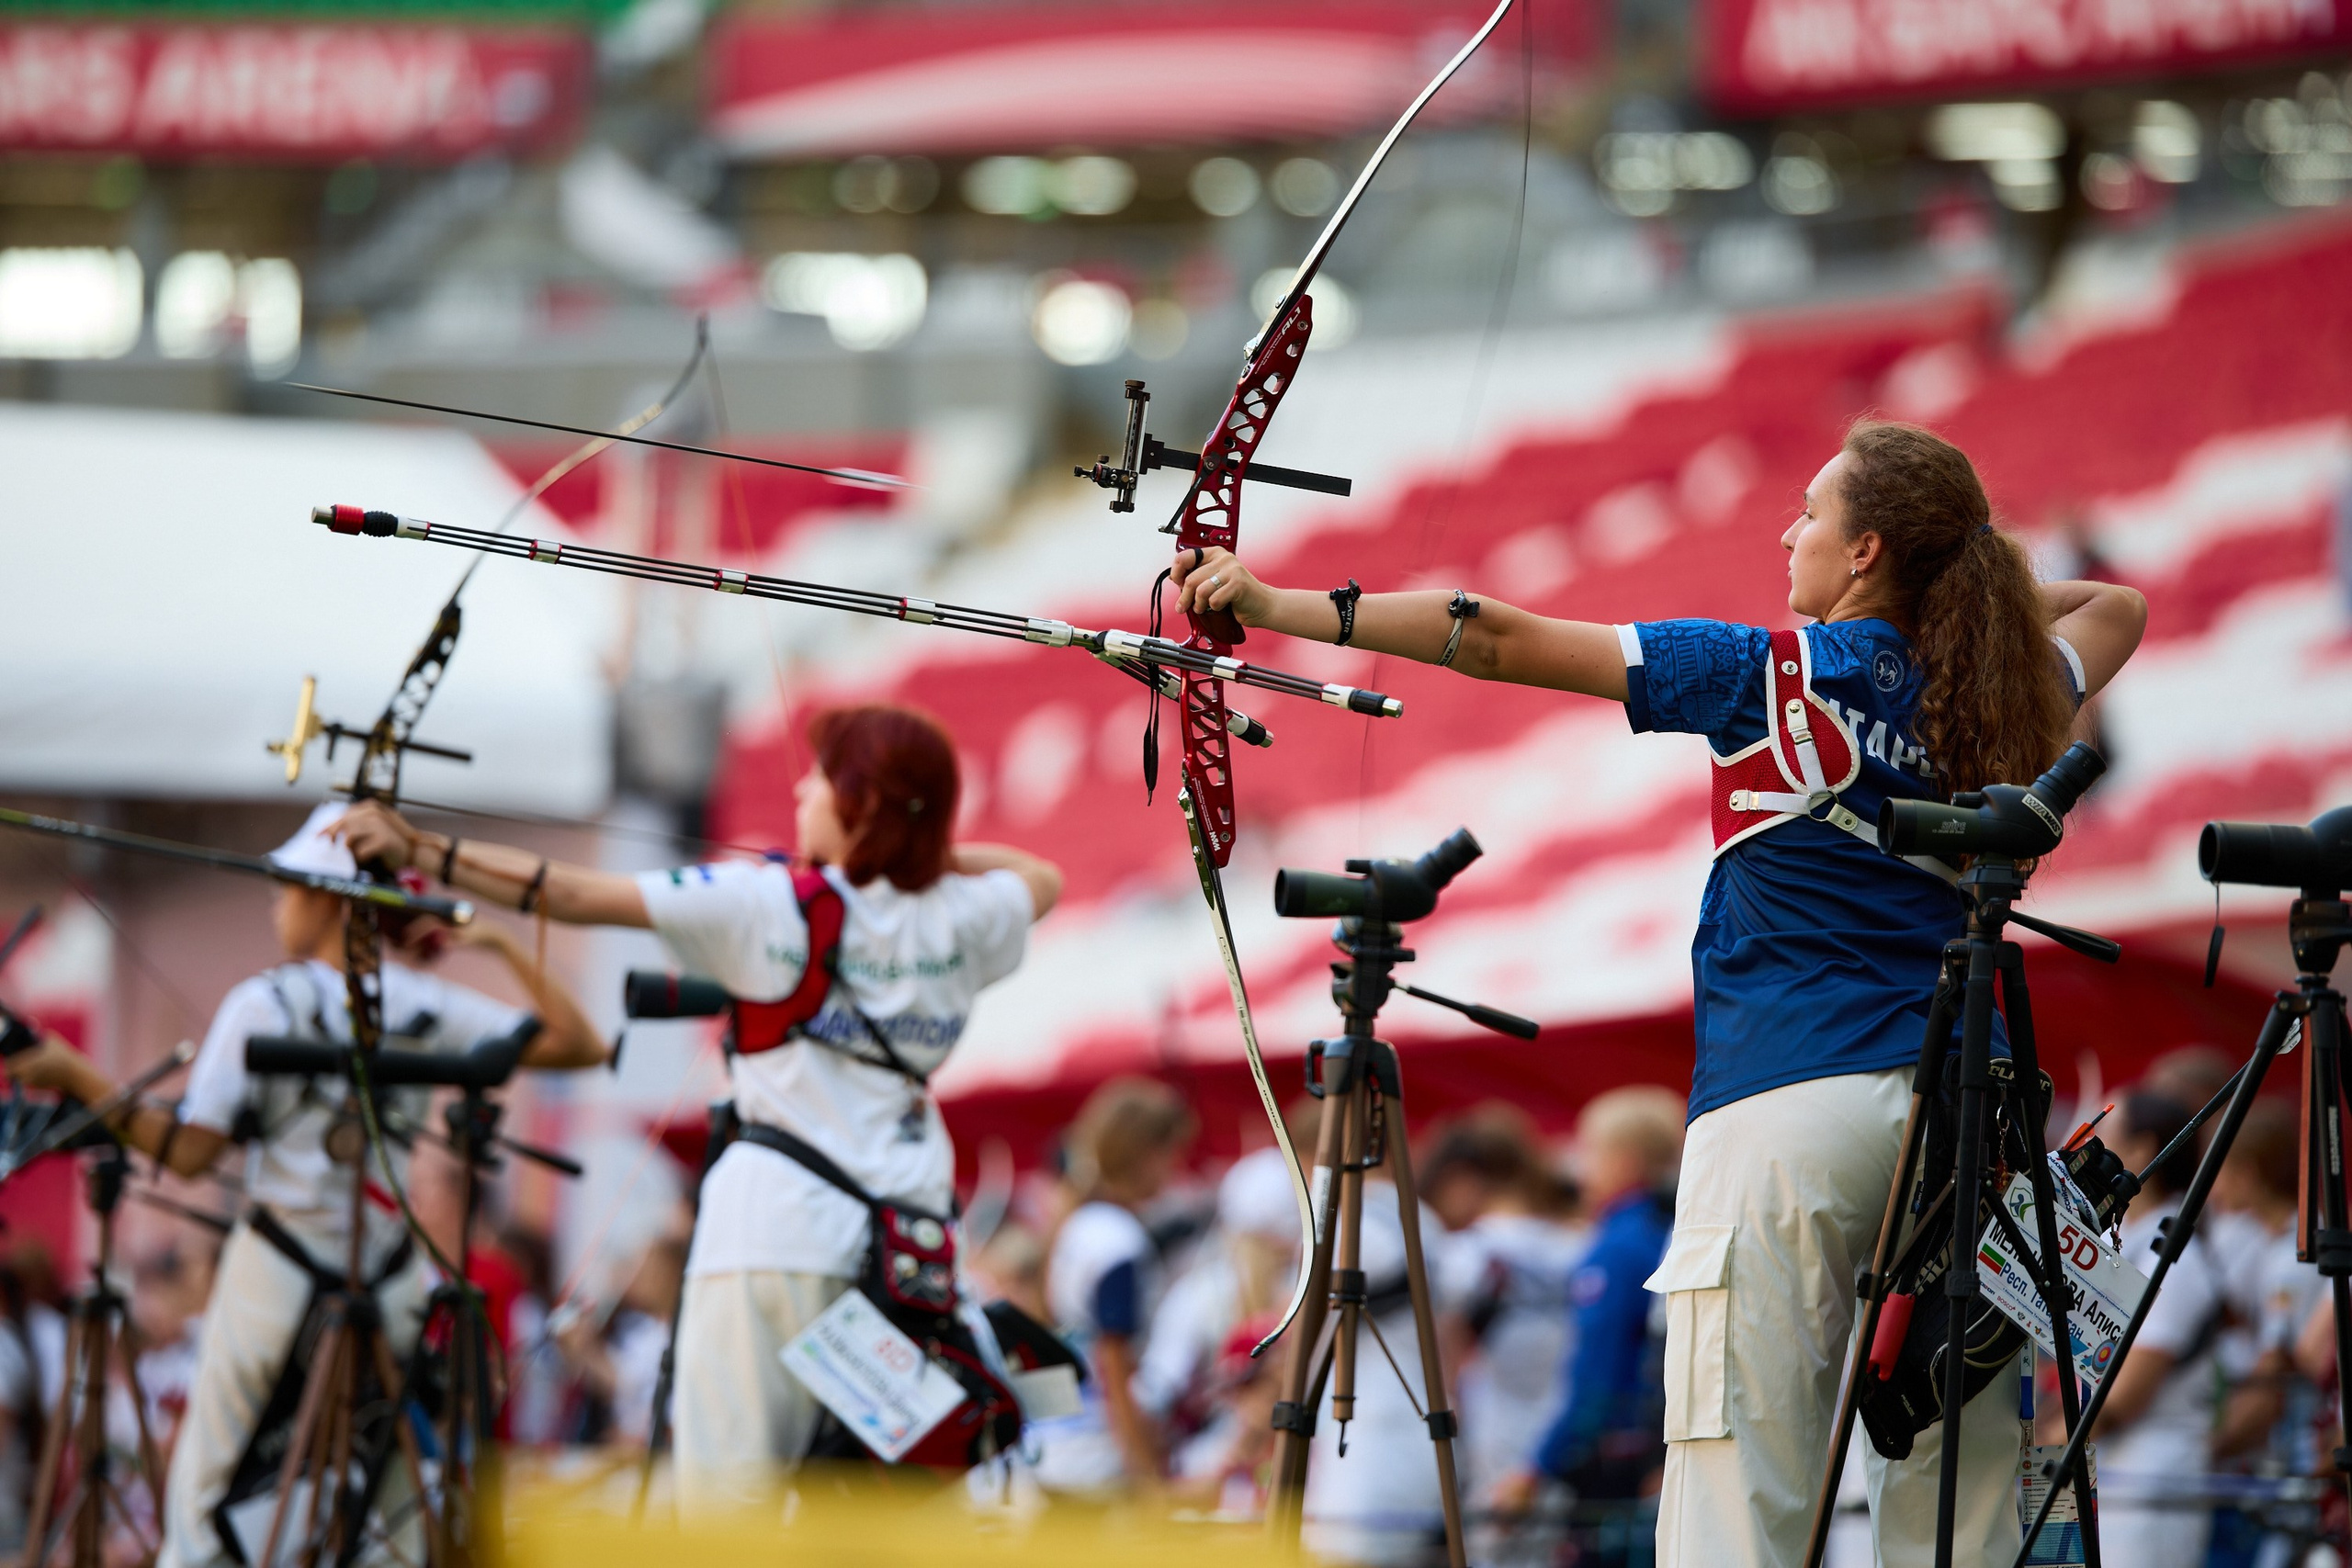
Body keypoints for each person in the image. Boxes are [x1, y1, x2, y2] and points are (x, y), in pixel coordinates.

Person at [1170, 419, 2149, 1567]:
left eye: (1810, 514)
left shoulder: (1765, 673)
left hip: (1789, 1103)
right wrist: (1962, 596)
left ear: (1866, 550)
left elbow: (1491, 635)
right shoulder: (1989, 698)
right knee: (1963, 1500)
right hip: (1965, 1118)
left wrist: (1275, 604)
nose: (1787, 533)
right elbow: (2117, 607)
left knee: (1742, 1480)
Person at [338, 703, 1061, 1507]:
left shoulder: (773, 905)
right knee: (865, 1512)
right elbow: (1041, 877)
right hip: (897, 1260)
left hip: (769, 1241)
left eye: (822, 779)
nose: (801, 789)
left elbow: (568, 892)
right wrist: (912, 852)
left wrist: (421, 850)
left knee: (727, 1512)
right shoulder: (965, 915)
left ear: (861, 805)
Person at [0, 804, 609, 1568]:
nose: (277, 904)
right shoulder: (421, 1000)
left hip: (277, 1280)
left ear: (328, 900)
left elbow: (187, 1151)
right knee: (389, 1494)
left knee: (203, 1499)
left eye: (288, 889)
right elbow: (579, 1042)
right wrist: (496, 940)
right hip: (387, 1278)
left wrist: (71, 1071)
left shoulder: (265, 1001)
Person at [1514, 1086, 1683, 1557]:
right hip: (1664, 1456)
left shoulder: (1617, 1247)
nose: (1579, 1168)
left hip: (1617, 1470)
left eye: (1588, 1152)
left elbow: (1596, 1379)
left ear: (1625, 1161)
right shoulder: (1669, 1229)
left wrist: (1536, 1468)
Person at [2076, 1091, 2230, 1568]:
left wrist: (2038, 1447)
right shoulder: (2125, 1238)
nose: (2086, 1145)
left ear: (2141, 1150)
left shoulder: (2178, 1261)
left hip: (2149, 1483)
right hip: (2107, 1469)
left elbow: (2125, 1396)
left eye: (2103, 1133)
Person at [1031, 1077, 1198, 1496]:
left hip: (1057, 1452)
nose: (1175, 1169)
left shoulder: (1076, 1226)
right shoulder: (1116, 1240)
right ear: (1145, 1155)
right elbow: (1114, 1366)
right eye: (1172, 1153)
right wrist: (1148, 1477)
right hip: (1100, 1466)